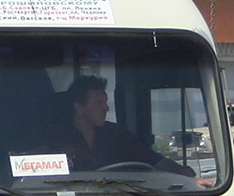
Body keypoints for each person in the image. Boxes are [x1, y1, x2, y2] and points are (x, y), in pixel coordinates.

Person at [48, 76, 197, 178]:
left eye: (106, 102)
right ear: (79, 107)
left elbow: (151, 159)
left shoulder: (116, 135)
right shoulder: (54, 140)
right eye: (98, 103)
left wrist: (181, 172)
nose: (106, 108)